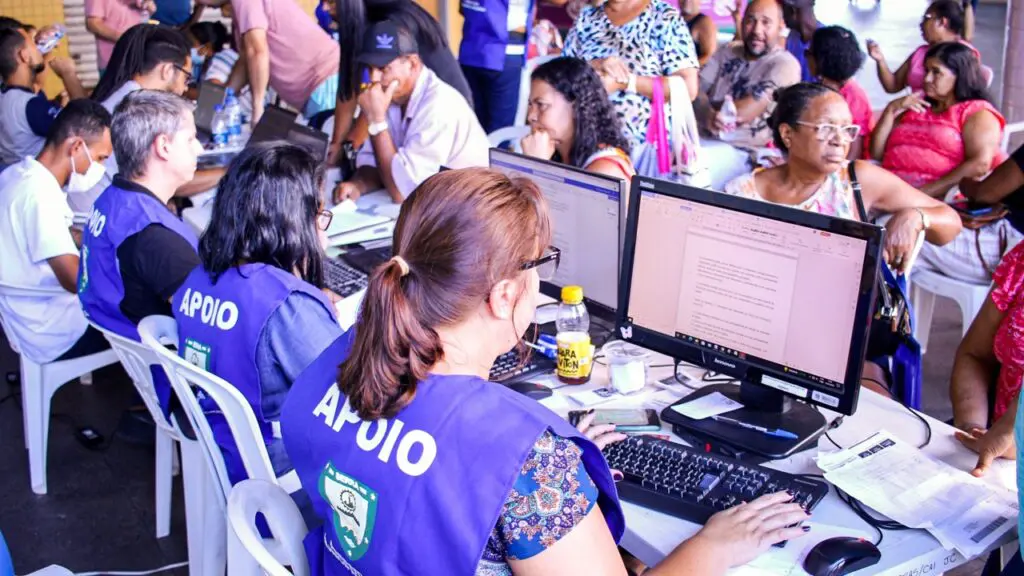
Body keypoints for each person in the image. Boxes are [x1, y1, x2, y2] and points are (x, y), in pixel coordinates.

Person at [282, 167, 811, 575]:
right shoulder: (529, 465)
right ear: (505, 294)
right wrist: (710, 548)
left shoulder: (343, 359)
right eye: (542, 264)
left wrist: (553, 472)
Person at [724, 83, 961, 394]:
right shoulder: (742, 192)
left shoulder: (856, 181)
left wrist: (918, 216)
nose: (840, 140)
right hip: (756, 335)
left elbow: (951, 222)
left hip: (845, 345)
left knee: (871, 418)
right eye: (825, 128)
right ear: (787, 134)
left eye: (847, 129)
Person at [172, 142, 342, 497]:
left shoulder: (197, 280)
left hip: (228, 457)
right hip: (289, 483)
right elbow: (354, 394)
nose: (320, 227)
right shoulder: (287, 307)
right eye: (319, 214)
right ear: (293, 220)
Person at [78, 90, 202, 412]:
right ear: (163, 146)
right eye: (190, 139)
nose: (199, 148)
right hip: (180, 388)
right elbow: (207, 321)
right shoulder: (154, 239)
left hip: (139, 359)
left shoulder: (113, 198)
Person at [871, 42, 1011, 285]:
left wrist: (924, 193)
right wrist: (891, 110)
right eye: (926, 70)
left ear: (960, 76)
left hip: (934, 207)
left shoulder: (977, 112)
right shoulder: (916, 107)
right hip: (890, 195)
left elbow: (980, 163)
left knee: (882, 233)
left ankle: (876, 313)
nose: (926, 78)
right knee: (844, 218)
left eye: (936, 72)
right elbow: (877, 152)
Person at [0, 99, 113, 364]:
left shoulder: (17, 174)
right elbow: (74, 280)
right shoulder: (41, 196)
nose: (98, 169)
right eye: (99, 159)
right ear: (76, 147)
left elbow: (49, 234)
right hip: (54, 331)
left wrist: (80, 237)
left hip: (26, 315)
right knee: (146, 318)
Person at [333, 21, 489, 204]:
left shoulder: (439, 105)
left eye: (383, 69)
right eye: (370, 68)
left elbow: (403, 192)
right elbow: (377, 165)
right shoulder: (391, 96)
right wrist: (358, 184)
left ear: (413, 65)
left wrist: (376, 121)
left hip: (472, 207)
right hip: (438, 204)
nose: (374, 78)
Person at [76, 24, 221, 214]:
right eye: (186, 79)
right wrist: (229, 171)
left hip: (93, 209)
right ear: (167, 70)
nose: (185, 89)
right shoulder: (144, 109)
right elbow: (172, 181)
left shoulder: (126, 93)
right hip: (100, 216)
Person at [328, 0, 472, 166]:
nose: (325, 8)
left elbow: (378, 95)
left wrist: (351, 145)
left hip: (441, 115)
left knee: (400, 178)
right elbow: (349, 85)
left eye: (331, 1)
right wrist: (337, 143)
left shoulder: (392, 25)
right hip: (410, 108)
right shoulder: (360, 23)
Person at [563, 0, 700, 150]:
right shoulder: (587, 17)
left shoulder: (663, 16)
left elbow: (688, 88)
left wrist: (627, 82)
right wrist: (595, 64)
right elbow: (560, 75)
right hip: (586, 141)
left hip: (645, 149)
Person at [697, 0, 801, 186]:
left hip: (743, 152)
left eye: (766, 22)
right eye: (751, 21)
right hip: (701, 140)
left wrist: (708, 107)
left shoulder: (784, 64)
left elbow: (743, 112)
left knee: (694, 169)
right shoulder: (727, 51)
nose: (757, 30)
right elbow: (694, 91)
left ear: (780, 26)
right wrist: (708, 114)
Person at [225, 0, 340, 123]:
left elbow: (257, 52)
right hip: (321, 84)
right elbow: (246, 61)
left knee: (330, 136)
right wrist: (224, 101)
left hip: (324, 81)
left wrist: (257, 110)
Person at [521, 57, 634, 180]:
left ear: (576, 107)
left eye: (541, 105)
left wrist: (537, 166)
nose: (531, 116)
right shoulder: (555, 154)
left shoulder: (606, 170)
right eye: (531, 105)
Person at [458, 0, 548, 134]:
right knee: (500, 132)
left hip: (471, 51)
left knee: (472, 127)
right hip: (503, 53)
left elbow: (462, 9)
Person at [0, 27, 86, 165]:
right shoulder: (30, 105)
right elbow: (86, 125)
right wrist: (69, 74)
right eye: (33, 44)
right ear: (24, 56)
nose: (39, 47)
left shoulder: (7, 96)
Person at [866, 0, 977, 95]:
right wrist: (880, 60)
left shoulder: (963, 54)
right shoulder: (920, 53)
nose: (921, 24)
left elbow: (966, 95)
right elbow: (893, 85)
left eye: (926, 18)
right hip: (917, 114)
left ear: (942, 22)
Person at [806, 26, 872, 160]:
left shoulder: (853, 96)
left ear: (821, 60)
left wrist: (841, 176)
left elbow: (854, 148)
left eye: (810, 53)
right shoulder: (818, 88)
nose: (806, 56)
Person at [85, 0, 156, 73]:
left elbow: (145, 15)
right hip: (115, 61)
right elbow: (93, 24)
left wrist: (150, 9)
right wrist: (126, 38)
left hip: (140, 57)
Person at [781, 0, 821, 83]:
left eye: (782, 9)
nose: (781, 15)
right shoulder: (793, 36)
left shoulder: (827, 42)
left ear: (793, 11)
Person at [680, 0, 717, 67]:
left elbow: (710, 56)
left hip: (693, 74)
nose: (687, 1)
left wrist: (686, 69)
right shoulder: (674, 20)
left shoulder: (704, 22)